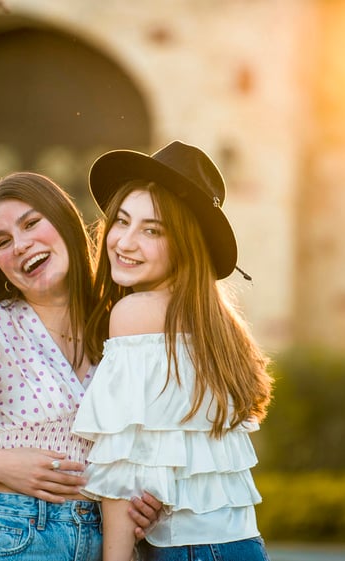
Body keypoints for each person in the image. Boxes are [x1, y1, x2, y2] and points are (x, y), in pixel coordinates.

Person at [0, 171, 162, 561]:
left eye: (31, 224)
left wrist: (149, 501)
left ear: (64, 223)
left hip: (103, 540)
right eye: (3, 242)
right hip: (4, 534)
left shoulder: (123, 325)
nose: (22, 245)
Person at [72, 141, 274, 561]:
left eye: (152, 230)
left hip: (191, 552)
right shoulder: (219, 325)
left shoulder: (134, 313)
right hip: (241, 546)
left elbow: (120, 472)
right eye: (122, 221)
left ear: (184, 245)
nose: (124, 242)